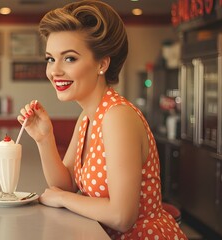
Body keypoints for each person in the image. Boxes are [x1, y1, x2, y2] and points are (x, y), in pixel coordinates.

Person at [17, 1, 187, 239]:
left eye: (69, 59)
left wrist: (63, 199)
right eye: (50, 59)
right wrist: (44, 138)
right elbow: (64, 185)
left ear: (102, 64)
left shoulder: (118, 116)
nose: (54, 71)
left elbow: (122, 216)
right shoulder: (88, 117)